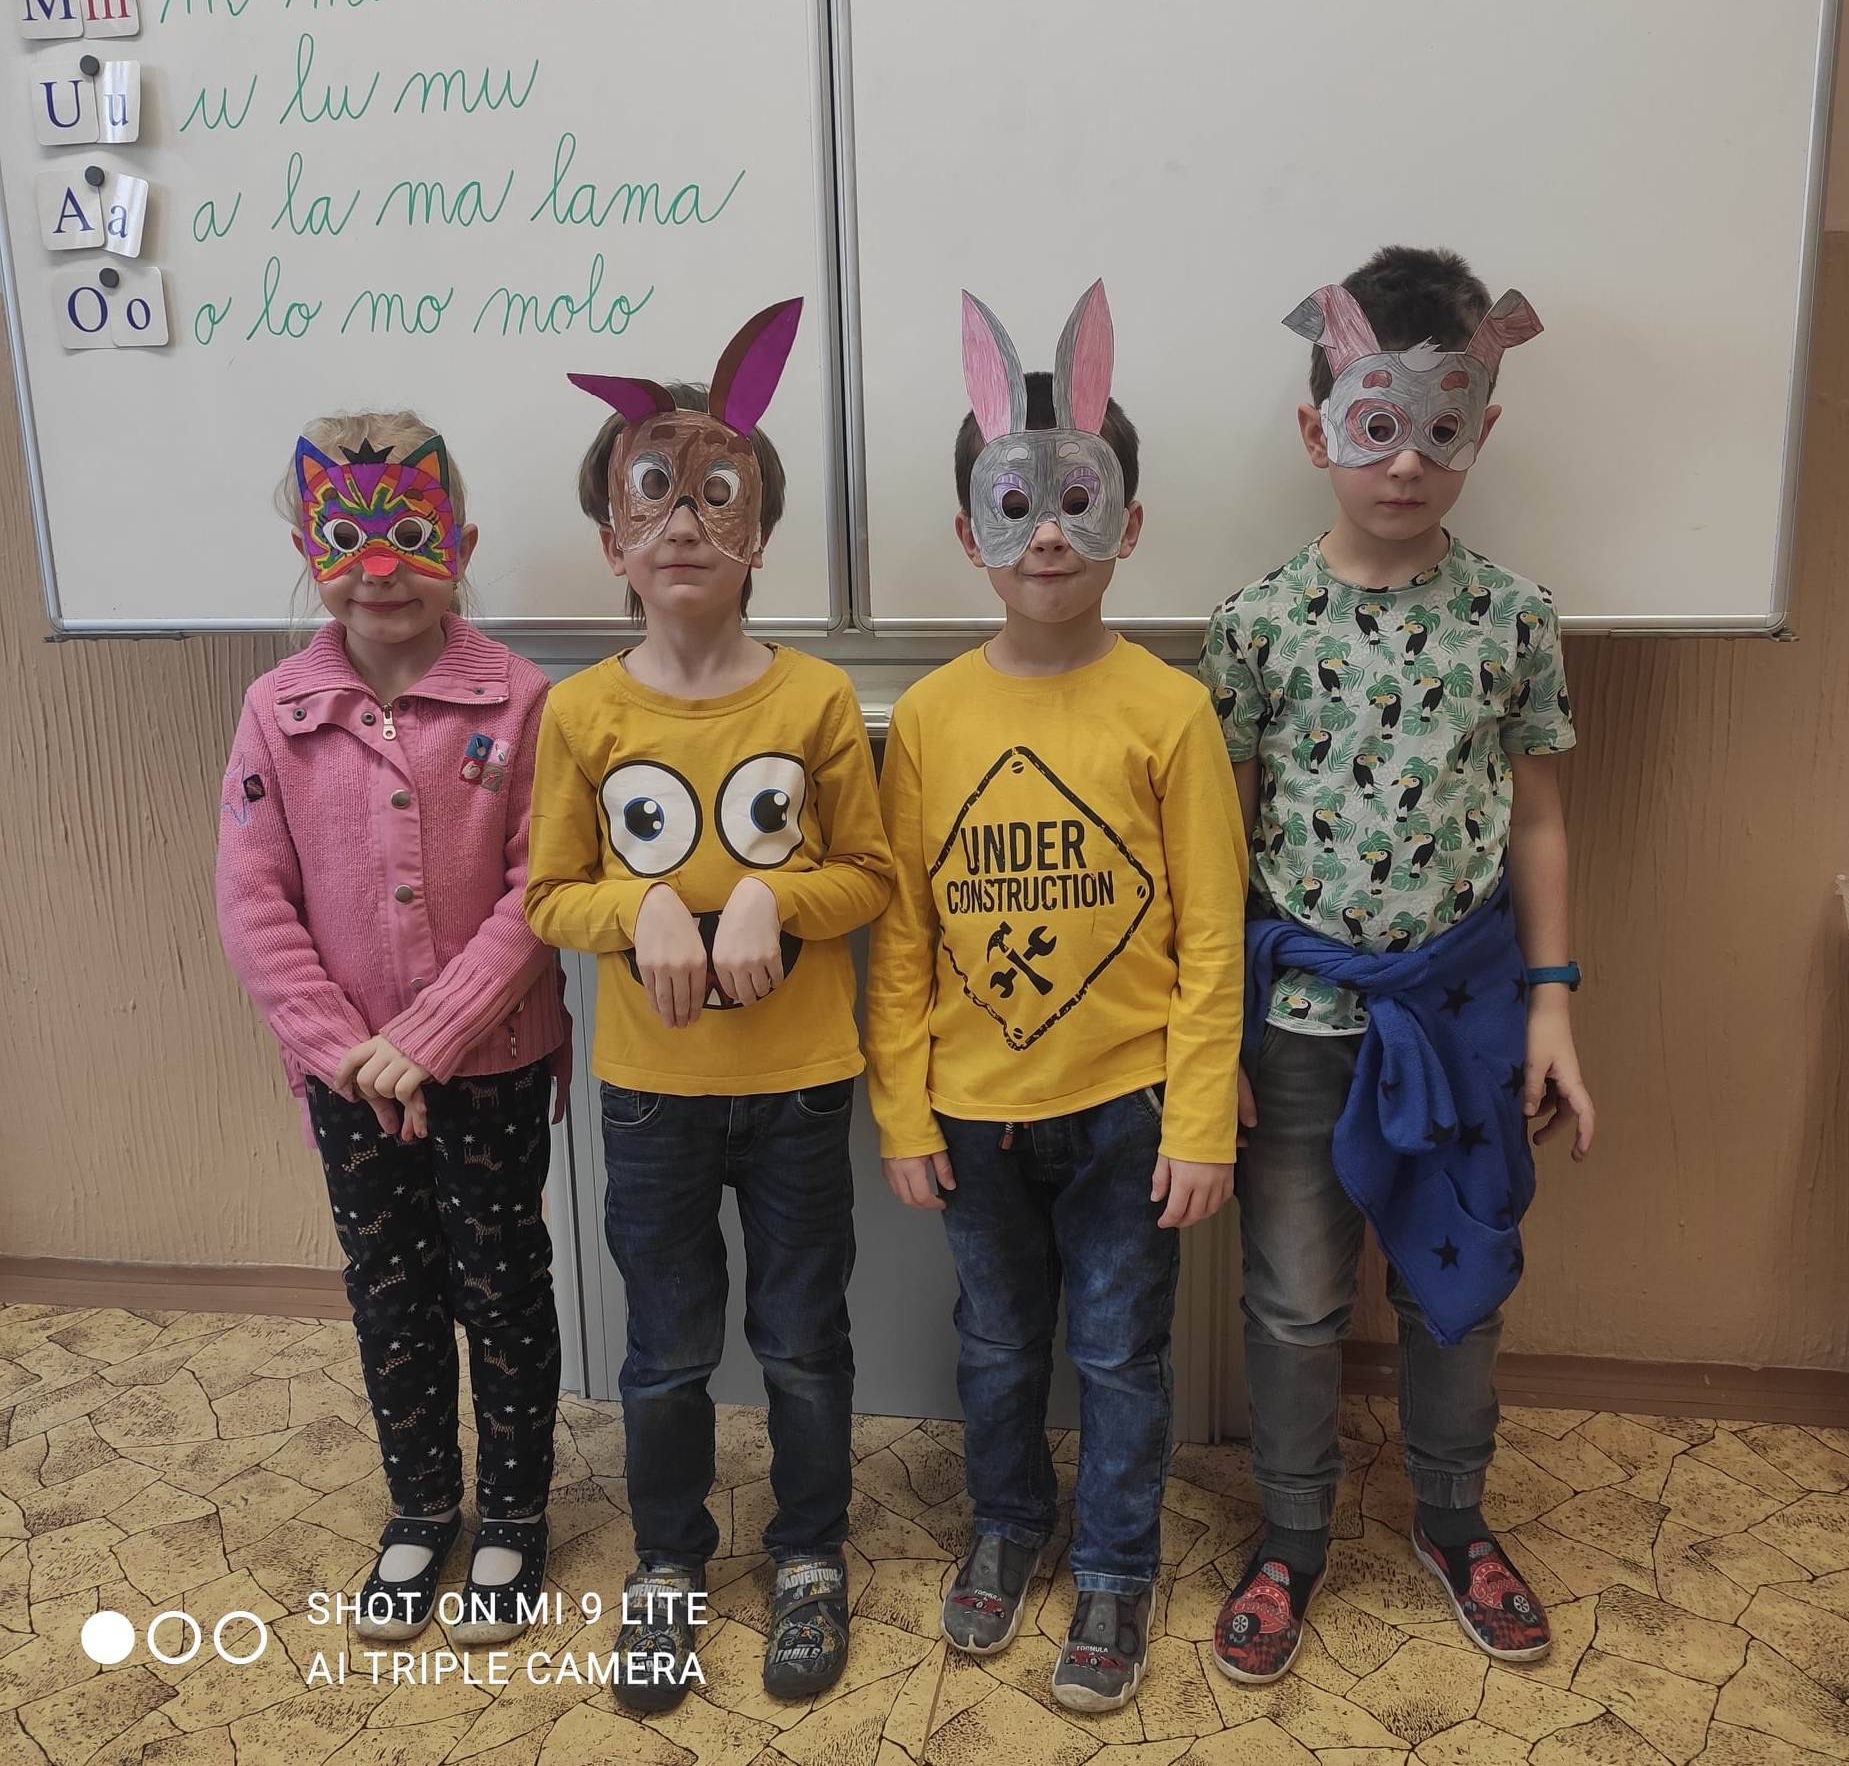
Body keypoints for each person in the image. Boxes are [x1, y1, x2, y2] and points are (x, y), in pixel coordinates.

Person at [1199, 246, 1597, 1684]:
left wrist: (1551, 1004)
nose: (1408, 460)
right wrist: (1214, 1037)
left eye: (1442, 427)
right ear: (1319, 428)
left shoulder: (1512, 616)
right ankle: (1291, 1531)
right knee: (1293, 1295)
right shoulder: (1254, 625)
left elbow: (1538, 817)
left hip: (1464, 1013)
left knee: (1455, 1281)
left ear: (1481, 425)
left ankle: (1450, 1514)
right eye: (1377, 424)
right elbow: (1219, 847)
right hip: (1299, 1021)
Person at [868, 282, 1248, 1714]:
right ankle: (1008, 1523)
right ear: (969, 527)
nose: (1044, 534)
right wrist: (903, 1109)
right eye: (1013, 504)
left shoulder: (1170, 710)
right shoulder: (931, 717)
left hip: (1125, 1107)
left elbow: (1210, 931)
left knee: (1119, 1350)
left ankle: (1114, 1563)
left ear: (1127, 524)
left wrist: (1197, 1118)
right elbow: (902, 934)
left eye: (1076, 502)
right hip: (973, 1111)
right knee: (993, 1341)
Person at [525, 300, 892, 1710]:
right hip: (652, 1096)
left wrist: (771, 896)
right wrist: (645, 908)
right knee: (667, 1348)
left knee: (802, 1338)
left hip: (798, 1085)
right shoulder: (581, 715)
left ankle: (808, 1554)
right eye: (652, 495)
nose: (682, 523)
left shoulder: (814, 700)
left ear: (759, 534)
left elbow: (867, 875)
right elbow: (552, 895)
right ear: (611, 541)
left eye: (715, 494)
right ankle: (668, 1560)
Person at [217, 414, 569, 1645]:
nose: (382, 570)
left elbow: (539, 892)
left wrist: (433, 1033)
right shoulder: (277, 710)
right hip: (348, 1082)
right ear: (308, 551)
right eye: (348, 541)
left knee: (503, 1285)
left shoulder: (518, 699)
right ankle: (421, 1505)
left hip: (494, 1064)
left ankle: (515, 1515)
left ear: (458, 546)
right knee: (390, 1292)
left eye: (412, 538)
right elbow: (252, 900)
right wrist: (342, 1047)